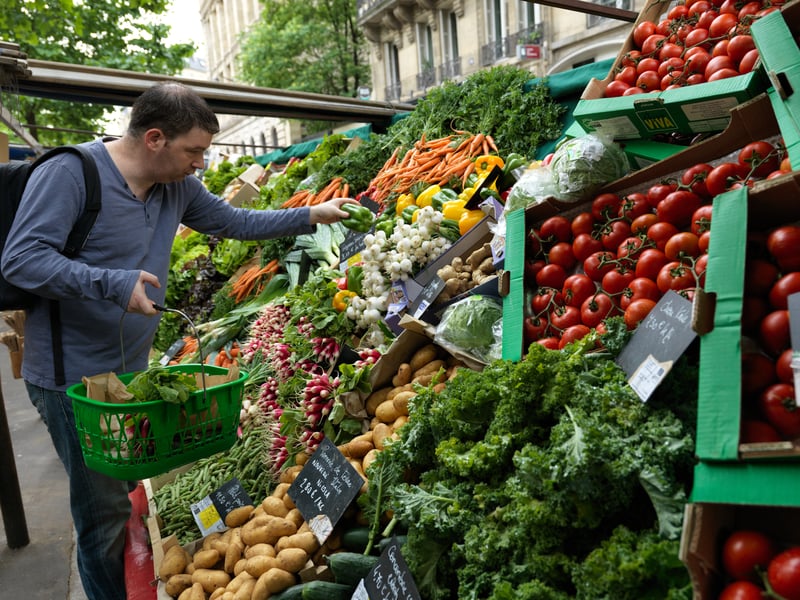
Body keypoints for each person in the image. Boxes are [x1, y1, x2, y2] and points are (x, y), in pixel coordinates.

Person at [1, 81, 354, 600]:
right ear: (155, 138)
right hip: (71, 380)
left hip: (132, 372)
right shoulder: (70, 174)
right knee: (102, 518)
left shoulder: (177, 187)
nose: (200, 165)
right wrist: (113, 282)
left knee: (121, 497)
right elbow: (21, 259)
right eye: (194, 151)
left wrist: (310, 215)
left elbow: (232, 220)